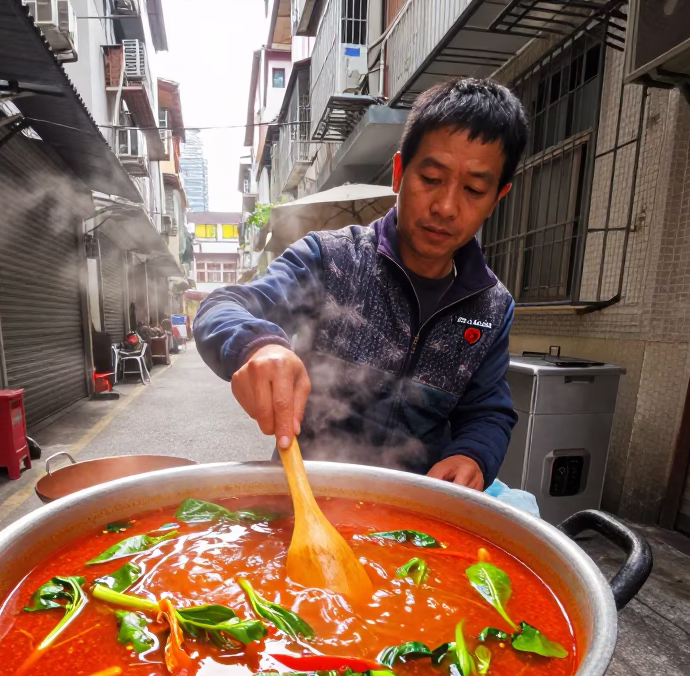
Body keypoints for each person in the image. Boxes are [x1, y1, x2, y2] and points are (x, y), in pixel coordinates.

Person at [194, 79, 528, 490]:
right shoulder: (329, 259)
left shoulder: (491, 308)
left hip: (412, 511)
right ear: (400, 172)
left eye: (474, 190)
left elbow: (487, 410)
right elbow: (223, 306)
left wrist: (472, 454)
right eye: (431, 179)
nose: (445, 207)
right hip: (305, 496)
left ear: (498, 197)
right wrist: (257, 345)